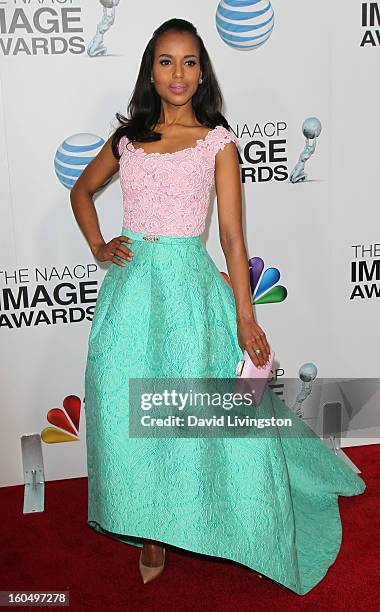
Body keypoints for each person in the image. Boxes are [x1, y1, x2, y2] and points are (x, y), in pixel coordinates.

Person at [70, 18, 366, 594]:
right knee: (120, 408)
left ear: (202, 71)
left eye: (188, 62)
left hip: (189, 291)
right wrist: (100, 246)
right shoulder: (127, 139)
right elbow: (81, 191)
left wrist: (246, 316)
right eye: (165, 61)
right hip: (131, 294)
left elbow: (232, 238)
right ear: (150, 71)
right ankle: (149, 528)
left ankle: (198, 517)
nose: (177, 73)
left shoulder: (217, 142)